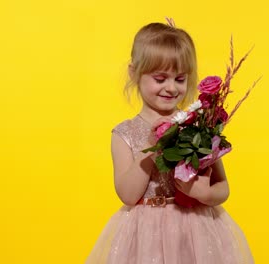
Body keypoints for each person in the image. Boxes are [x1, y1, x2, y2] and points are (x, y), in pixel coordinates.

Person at [85, 20, 255, 264]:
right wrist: (153, 149)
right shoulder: (124, 132)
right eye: (160, 78)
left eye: (179, 78)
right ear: (134, 73)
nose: (171, 87)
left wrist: (205, 194)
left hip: (196, 233)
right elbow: (127, 195)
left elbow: (223, 187)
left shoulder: (197, 126)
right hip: (146, 236)